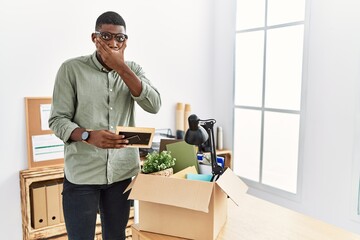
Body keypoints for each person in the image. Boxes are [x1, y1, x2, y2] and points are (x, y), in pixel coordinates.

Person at [49, 11, 161, 240]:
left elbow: (154, 105)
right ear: (95, 37)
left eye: (119, 38)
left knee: (116, 236)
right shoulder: (71, 69)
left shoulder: (133, 70)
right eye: (107, 36)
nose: (113, 43)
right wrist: (87, 135)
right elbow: (57, 120)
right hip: (82, 175)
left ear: (126, 41)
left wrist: (121, 67)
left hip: (121, 174)